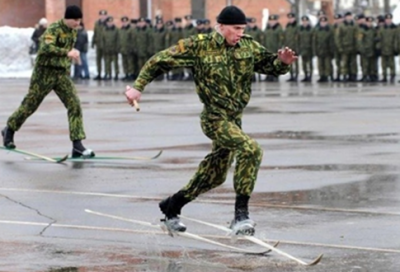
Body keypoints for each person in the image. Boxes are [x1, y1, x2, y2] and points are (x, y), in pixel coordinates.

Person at [125, 6, 296, 235]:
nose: (239, 33)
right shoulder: (199, 45)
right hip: (214, 118)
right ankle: (241, 216)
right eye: (236, 29)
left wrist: (282, 62)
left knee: (215, 175)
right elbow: (160, 60)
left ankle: (172, 205)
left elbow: (268, 65)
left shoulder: (248, 45)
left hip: (234, 120)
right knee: (251, 149)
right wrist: (138, 87)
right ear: (221, 26)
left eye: (243, 29)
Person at [1, 5, 95, 158]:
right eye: (76, 20)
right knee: (30, 105)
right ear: (68, 18)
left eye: (80, 20)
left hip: (60, 74)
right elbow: (46, 47)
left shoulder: (73, 31)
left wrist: (73, 57)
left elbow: (67, 52)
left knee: (74, 104)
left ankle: (77, 145)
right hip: (44, 73)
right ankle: (9, 130)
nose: (78, 23)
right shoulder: (54, 29)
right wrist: (67, 52)